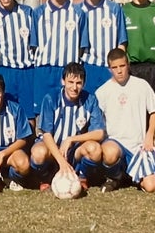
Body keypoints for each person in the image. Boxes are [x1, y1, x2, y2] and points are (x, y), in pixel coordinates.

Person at [96, 48, 155, 193]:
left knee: (151, 187)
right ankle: (115, 177)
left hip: (139, 146)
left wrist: (150, 135)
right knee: (109, 152)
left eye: (122, 66)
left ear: (128, 64)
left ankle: (134, 176)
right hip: (116, 143)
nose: (119, 71)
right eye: (115, 67)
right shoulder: (102, 92)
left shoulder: (141, 85)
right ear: (109, 69)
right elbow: (99, 122)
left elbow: (154, 111)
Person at [30, 62, 104, 192]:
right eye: (70, 82)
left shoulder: (90, 100)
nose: (74, 87)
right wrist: (61, 161)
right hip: (53, 149)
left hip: (74, 150)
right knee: (38, 153)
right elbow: (46, 134)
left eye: (78, 83)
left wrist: (71, 139)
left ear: (84, 84)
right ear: (63, 81)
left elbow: (99, 133)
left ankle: (82, 177)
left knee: (95, 149)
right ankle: (46, 178)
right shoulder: (51, 99)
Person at [31, 0, 88, 115]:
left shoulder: (78, 13)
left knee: (68, 113)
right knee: (43, 114)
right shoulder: (38, 13)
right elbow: (33, 45)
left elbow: (82, 45)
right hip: (44, 70)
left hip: (67, 70)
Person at [79, 0, 128, 94]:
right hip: (89, 67)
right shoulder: (77, 11)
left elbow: (121, 42)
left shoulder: (114, 9)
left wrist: (117, 68)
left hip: (109, 68)